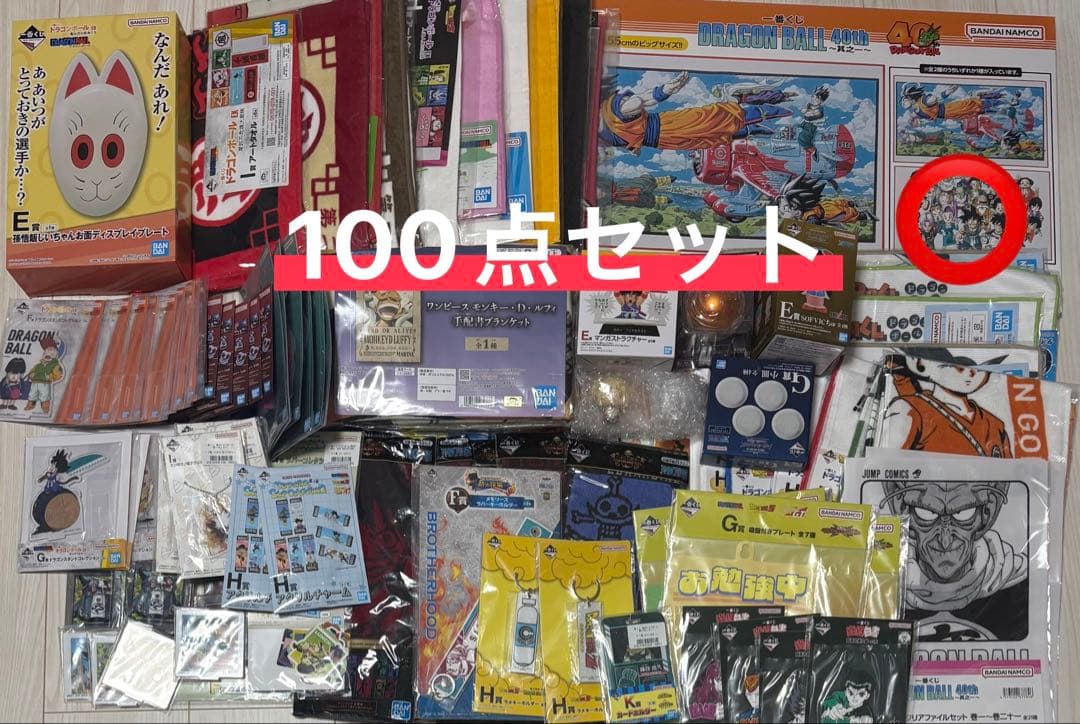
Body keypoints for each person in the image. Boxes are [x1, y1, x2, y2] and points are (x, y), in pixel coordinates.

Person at [600, 71, 791, 153]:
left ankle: (769, 107)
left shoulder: (613, 109)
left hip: (669, 125)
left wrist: (665, 90)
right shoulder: (603, 133)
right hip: (665, 141)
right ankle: (758, 124)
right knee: (714, 137)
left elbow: (640, 100)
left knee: (717, 120)